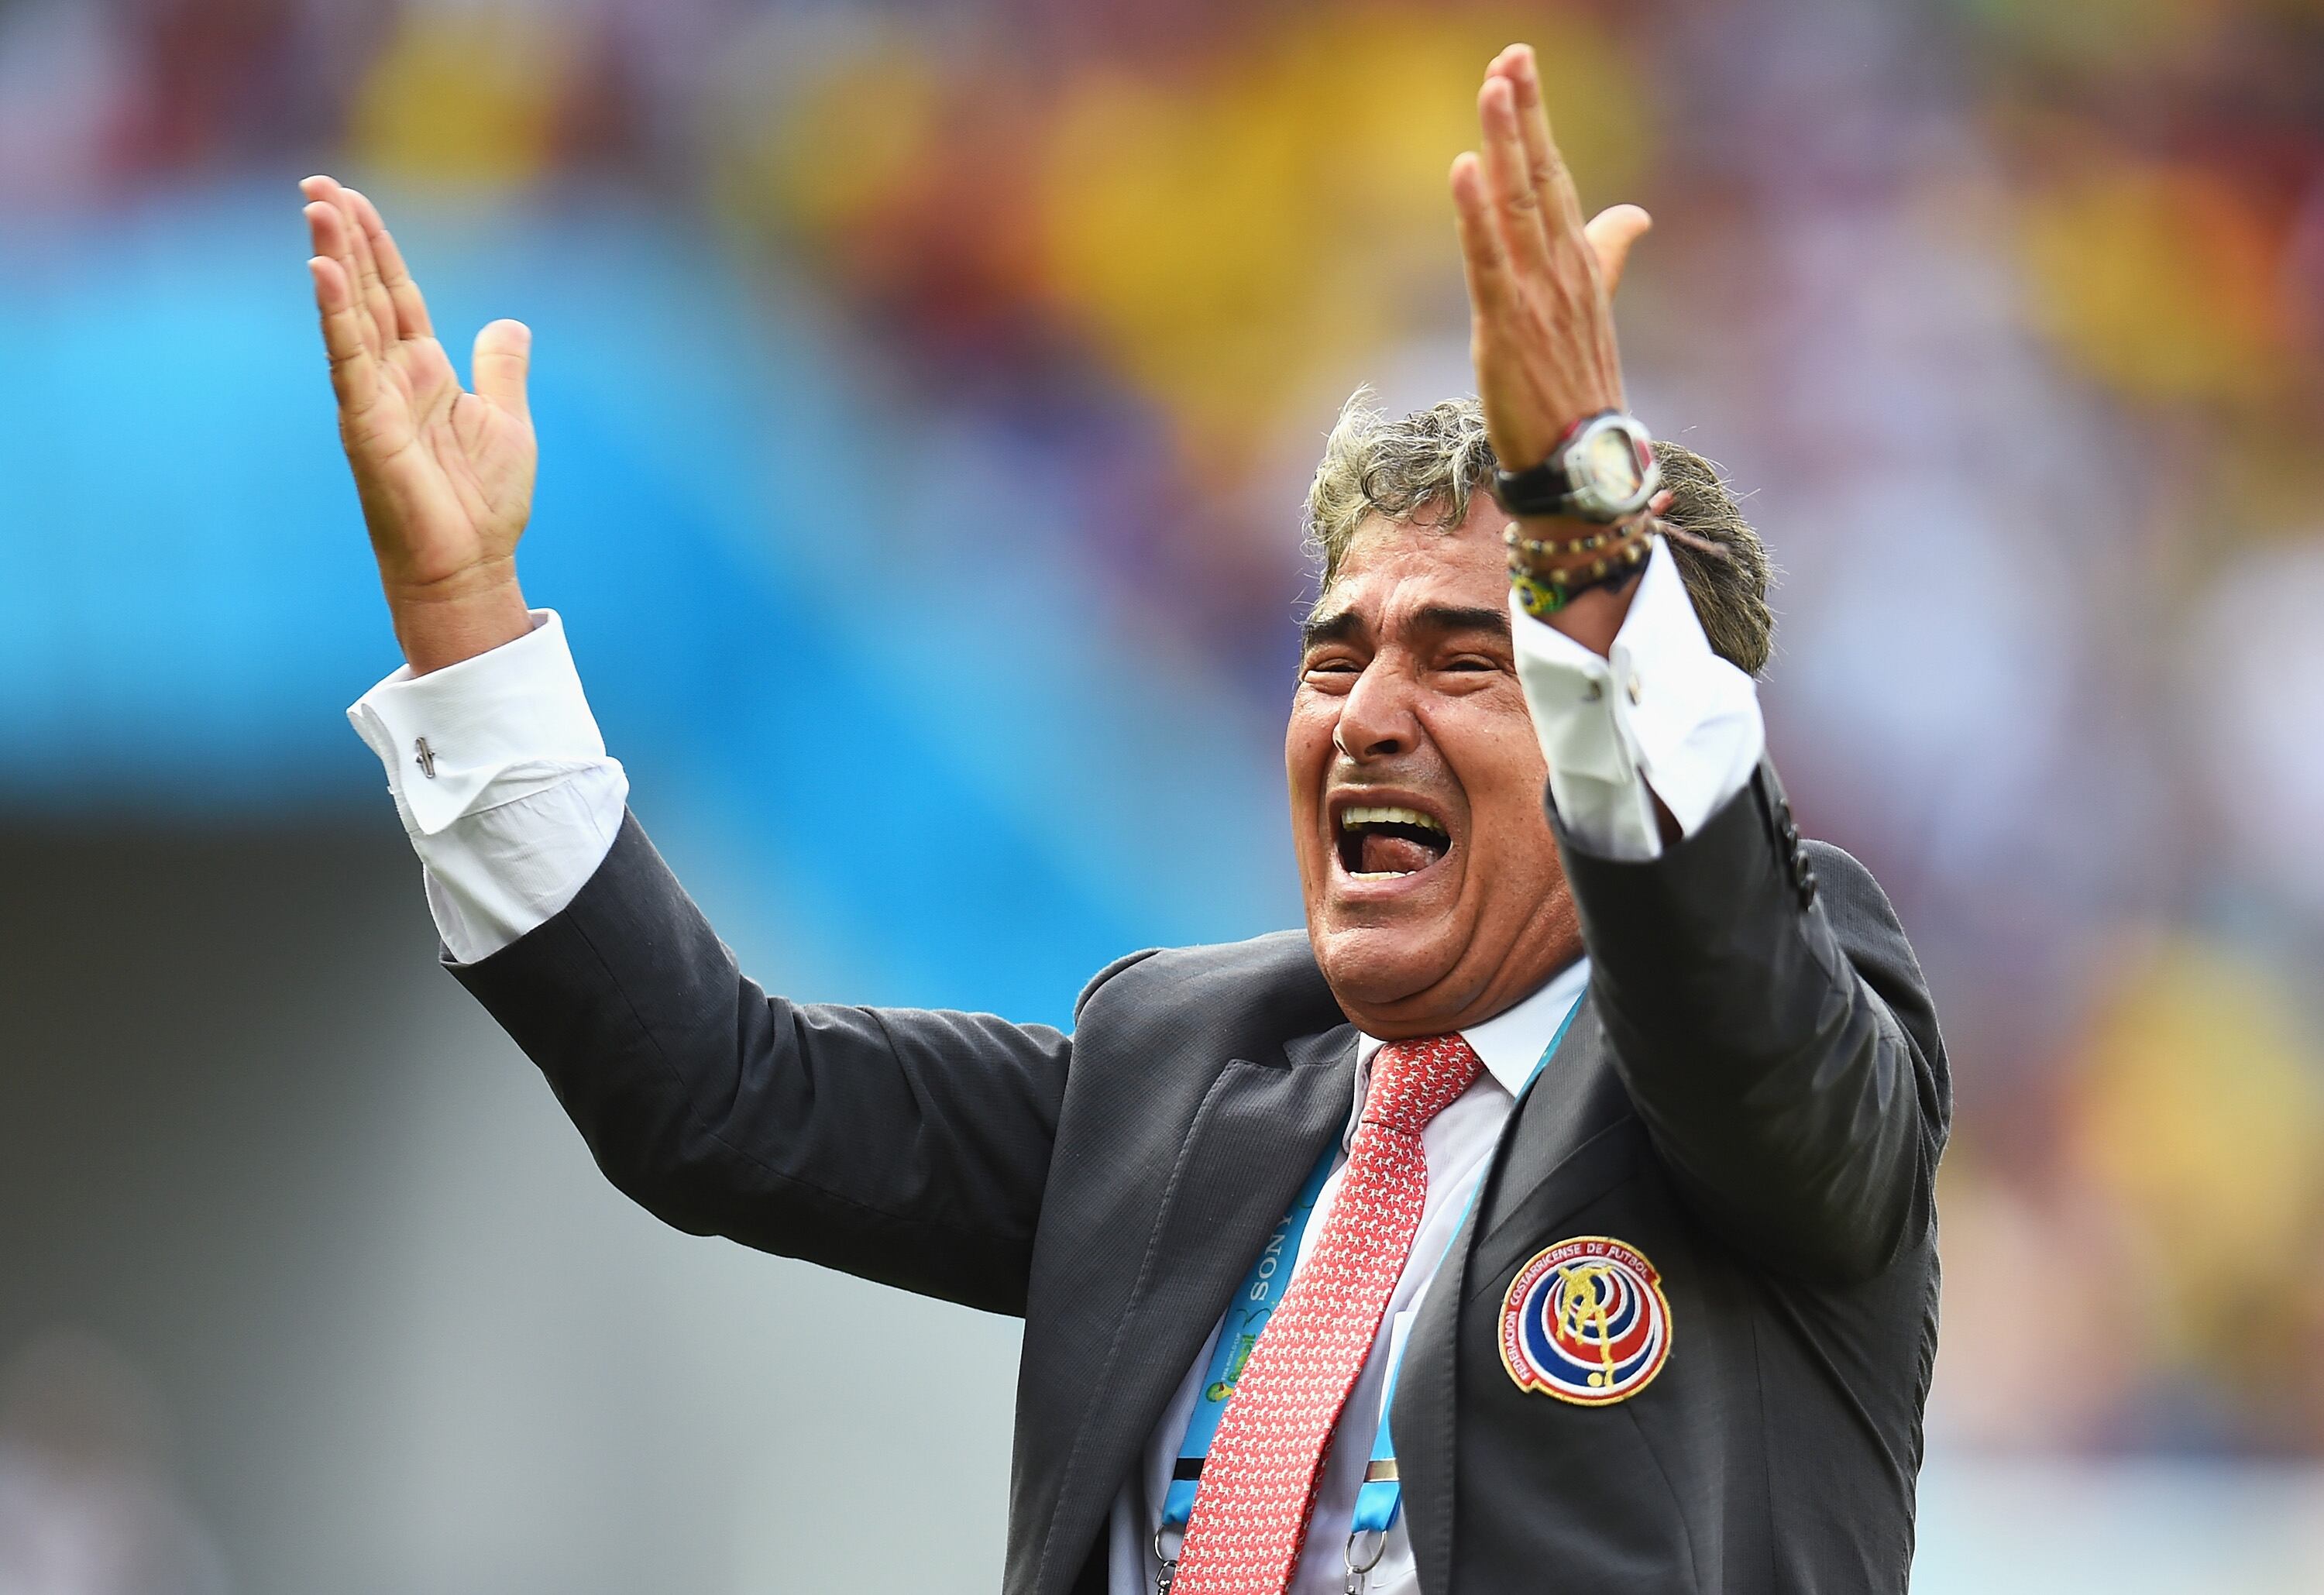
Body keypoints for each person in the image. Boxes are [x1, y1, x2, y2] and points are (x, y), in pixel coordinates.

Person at [302, 43, 1945, 1595]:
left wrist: (1586, 531)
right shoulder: (1184, 1068)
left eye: (1468, 660)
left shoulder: (1774, 1092)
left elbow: (1721, 974)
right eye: (1333, 655)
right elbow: (720, 1095)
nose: (1370, 713)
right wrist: (465, 620)